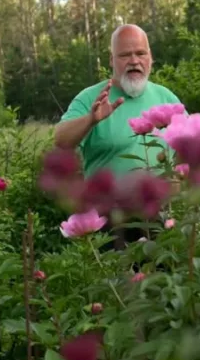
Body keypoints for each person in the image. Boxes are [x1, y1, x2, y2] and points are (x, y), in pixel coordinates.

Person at [55, 24, 182, 248]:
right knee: (118, 283)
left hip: (161, 219)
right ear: (112, 60)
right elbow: (61, 140)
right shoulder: (91, 98)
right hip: (109, 222)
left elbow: (191, 147)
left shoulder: (166, 98)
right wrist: (90, 120)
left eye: (140, 53)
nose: (134, 61)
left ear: (150, 57)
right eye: (125, 55)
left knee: (165, 282)